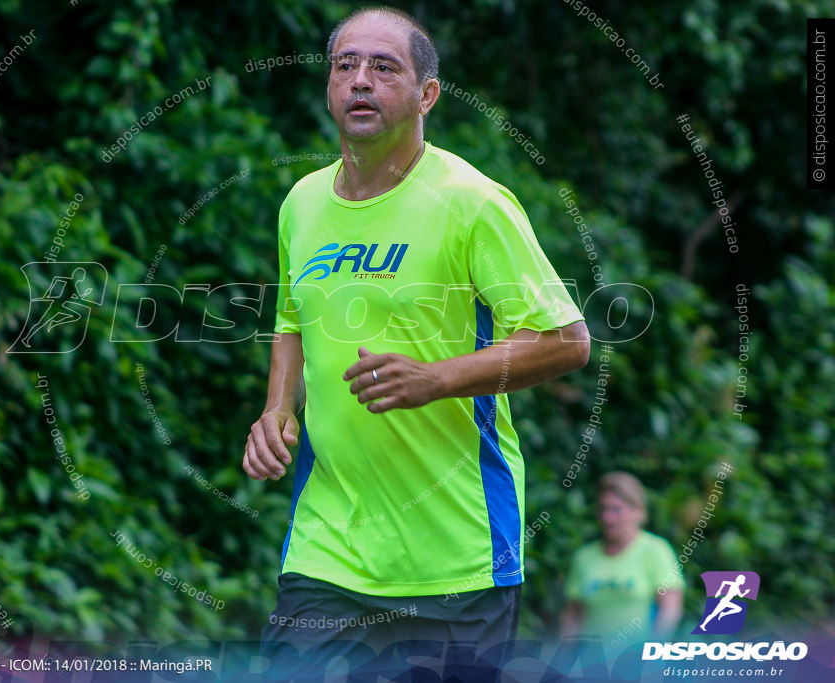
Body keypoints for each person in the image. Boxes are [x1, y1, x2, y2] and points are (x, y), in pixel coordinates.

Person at [242, 6, 590, 680]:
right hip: (327, 546)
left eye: (384, 67)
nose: (360, 81)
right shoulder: (302, 204)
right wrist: (279, 409)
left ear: (427, 95)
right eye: (346, 66)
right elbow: (292, 321)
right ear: (328, 87)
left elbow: (565, 340)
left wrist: (438, 378)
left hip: (455, 555)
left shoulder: (473, 202)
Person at [561, 472, 683, 653]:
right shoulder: (584, 557)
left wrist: (652, 652)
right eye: (603, 509)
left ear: (638, 512)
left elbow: (670, 610)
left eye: (616, 509)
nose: (608, 518)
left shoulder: (655, 551)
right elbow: (573, 615)